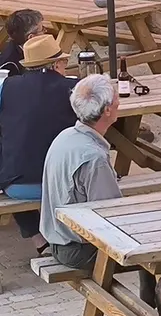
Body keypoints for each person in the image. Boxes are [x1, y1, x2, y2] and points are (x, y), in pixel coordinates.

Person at [39, 72, 122, 270]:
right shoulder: (94, 158)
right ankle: (154, 301)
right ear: (107, 110)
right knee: (152, 253)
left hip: (59, 240)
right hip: (78, 249)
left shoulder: (66, 136)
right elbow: (112, 216)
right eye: (116, 97)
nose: (120, 100)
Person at [0, 33, 76, 239]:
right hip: (61, 184)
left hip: (15, 185)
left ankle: (37, 239)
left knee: (9, 150)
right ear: (58, 63)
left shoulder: (7, 86)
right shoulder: (73, 88)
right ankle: (70, 239)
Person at [0, 8, 43, 73]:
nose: (45, 32)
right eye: (42, 29)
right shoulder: (10, 64)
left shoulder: (21, 46)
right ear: (31, 37)